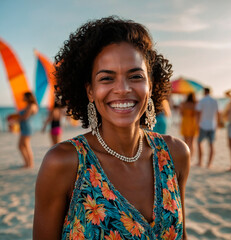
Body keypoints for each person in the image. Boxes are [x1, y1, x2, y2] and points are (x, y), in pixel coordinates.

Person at [33, 16, 190, 240]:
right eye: (107, 78)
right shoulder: (64, 163)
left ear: (151, 85)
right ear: (89, 91)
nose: (123, 89)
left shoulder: (175, 154)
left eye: (135, 76)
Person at [196, 88, 219, 168]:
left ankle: (200, 162)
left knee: (199, 143)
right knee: (211, 144)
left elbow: (198, 113)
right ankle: (209, 163)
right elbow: (218, 113)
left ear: (204, 92)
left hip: (203, 124)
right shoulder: (215, 101)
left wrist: (197, 123)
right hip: (212, 125)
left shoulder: (202, 100)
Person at [17, 92, 38, 168]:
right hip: (25, 126)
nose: (23, 98)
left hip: (27, 127)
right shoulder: (29, 105)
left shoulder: (32, 105)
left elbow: (25, 117)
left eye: (24, 96)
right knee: (21, 146)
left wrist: (16, 119)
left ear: (28, 97)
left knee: (25, 145)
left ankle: (30, 163)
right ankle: (27, 163)